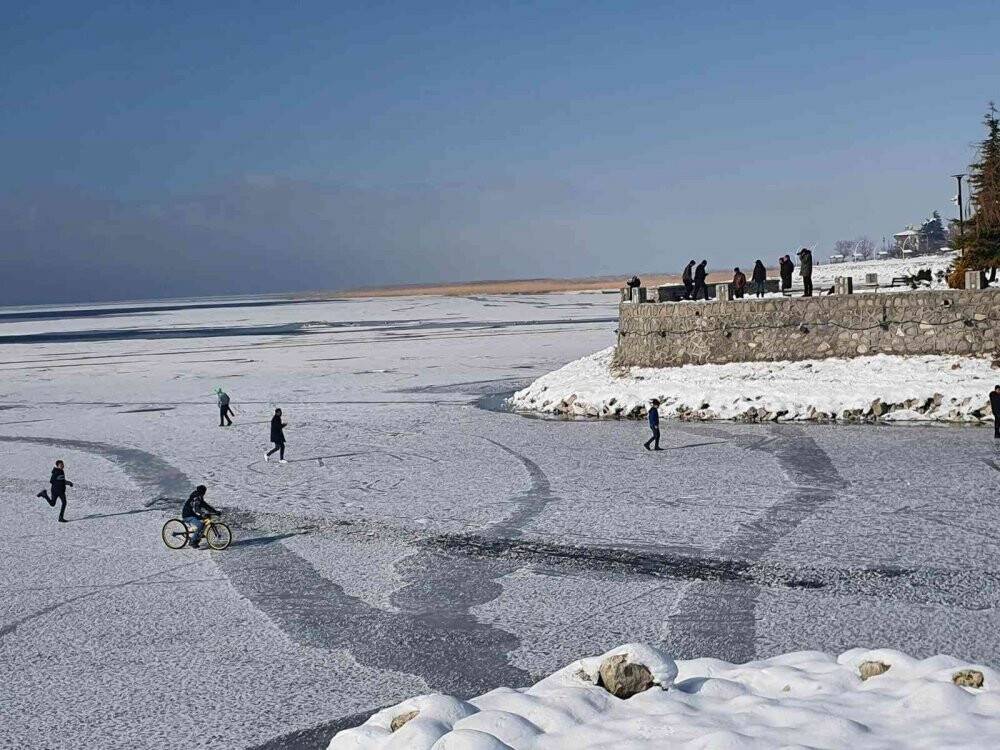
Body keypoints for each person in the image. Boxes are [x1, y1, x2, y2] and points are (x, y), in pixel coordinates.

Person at [181, 485, 219, 549]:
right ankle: (192, 541)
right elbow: (196, 509)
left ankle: (198, 535)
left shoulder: (199, 497)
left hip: (192, 514)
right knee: (200, 525)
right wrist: (203, 514)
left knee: (205, 520)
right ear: (202, 492)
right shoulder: (195, 498)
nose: (204, 493)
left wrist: (215, 511)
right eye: (204, 492)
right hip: (187, 515)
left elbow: (205, 505)